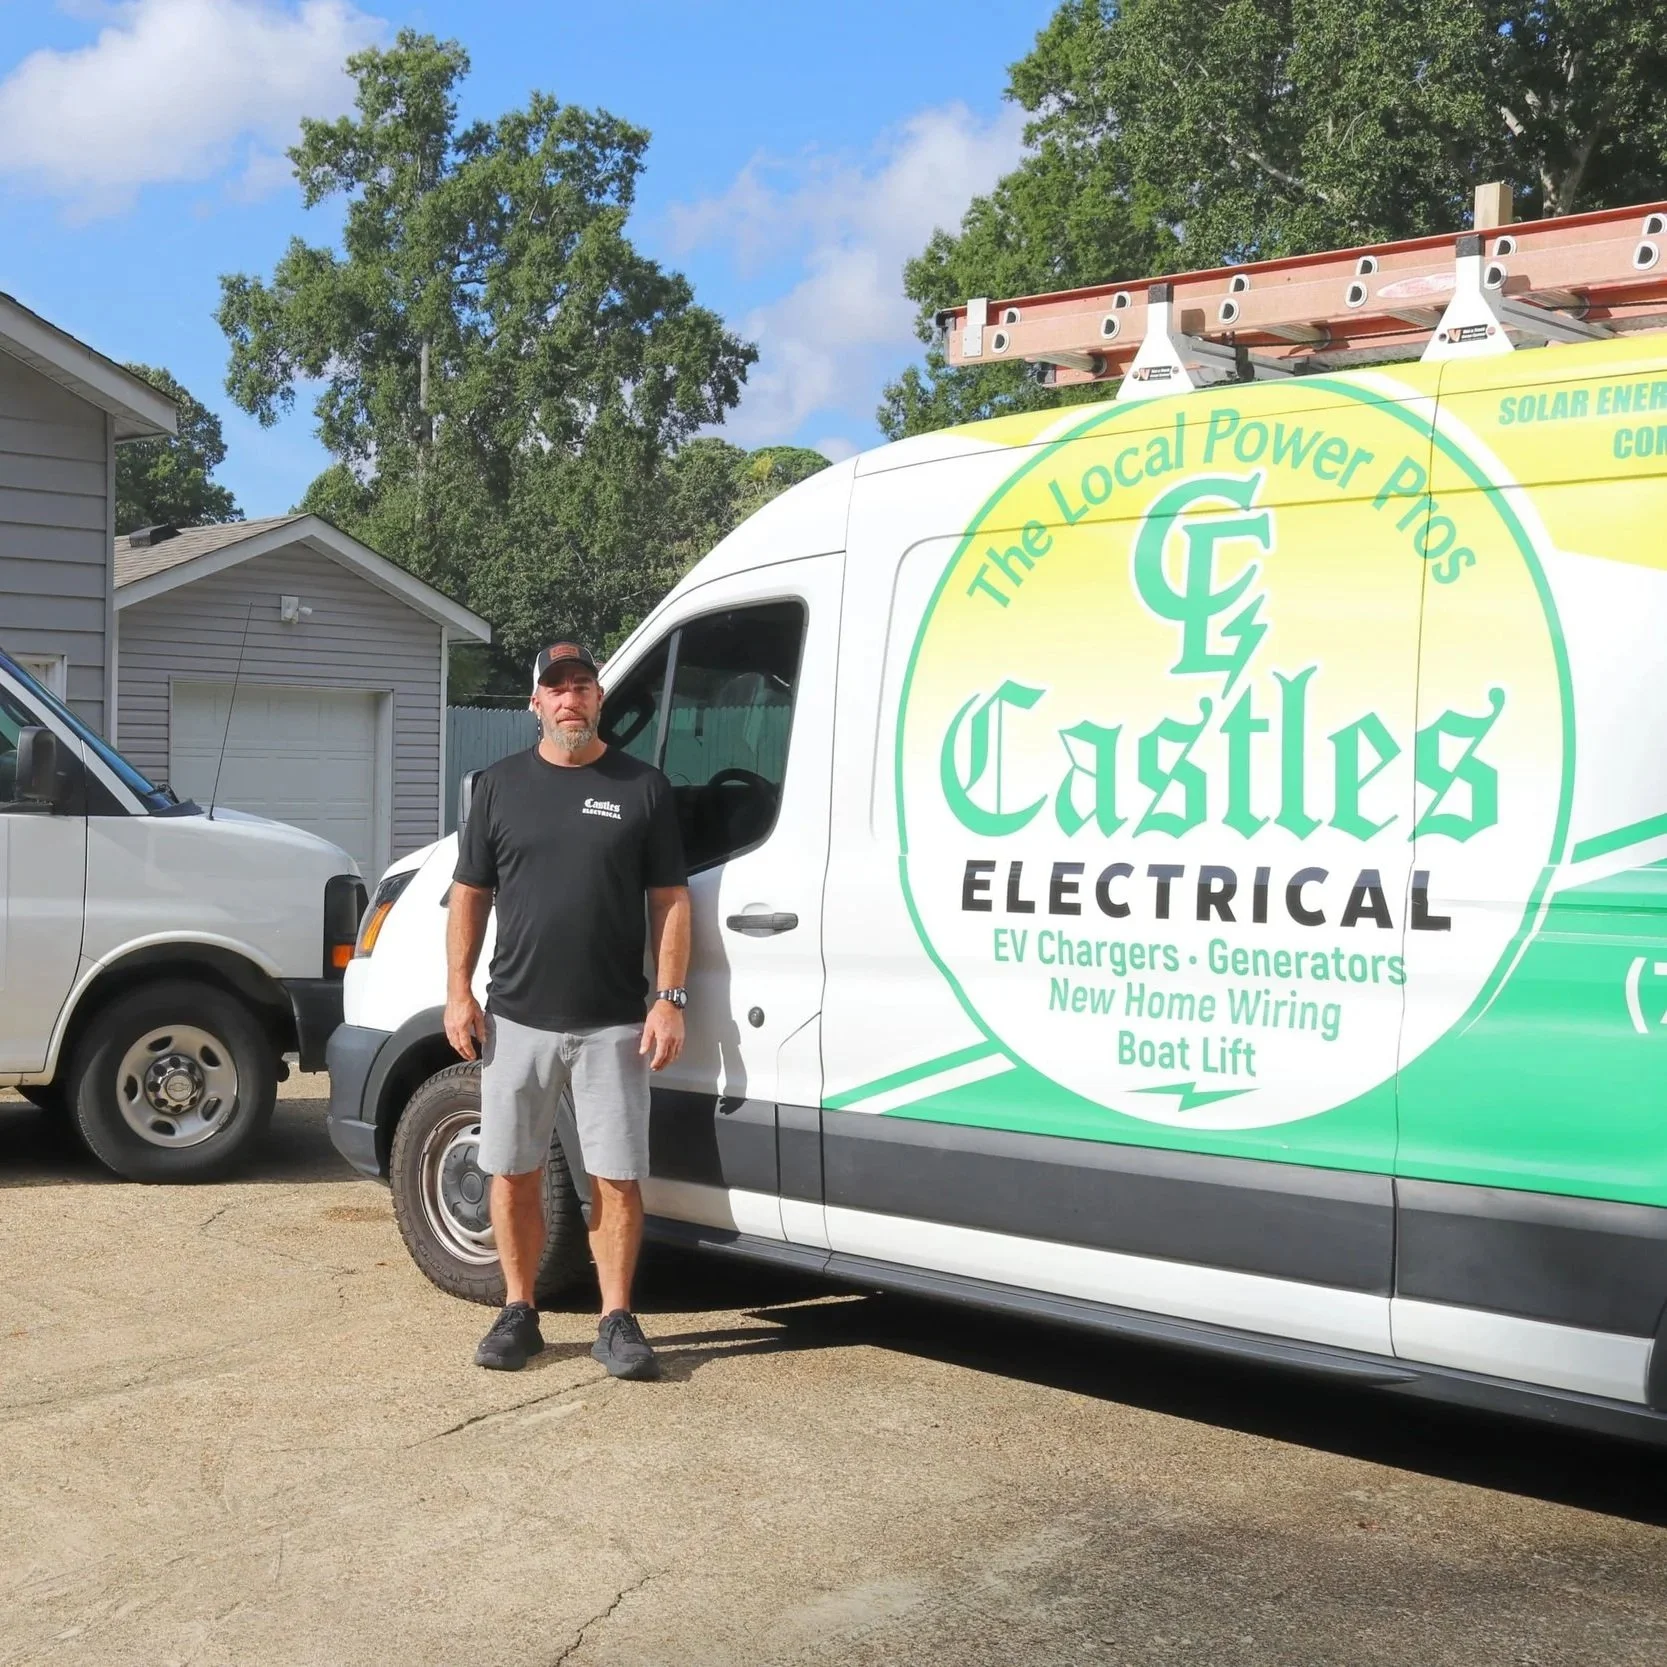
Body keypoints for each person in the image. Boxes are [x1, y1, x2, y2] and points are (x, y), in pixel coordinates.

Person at [445, 641, 690, 1378]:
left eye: (582, 685)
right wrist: (458, 990)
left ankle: (616, 1319)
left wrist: (669, 998)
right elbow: (470, 895)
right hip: (516, 1017)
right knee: (512, 1169)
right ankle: (519, 1309)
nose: (569, 699)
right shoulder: (497, 785)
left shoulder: (642, 787)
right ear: (535, 705)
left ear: (598, 700)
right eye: (555, 688)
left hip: (613, 1019)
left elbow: (670, 901)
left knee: (615, 1174)